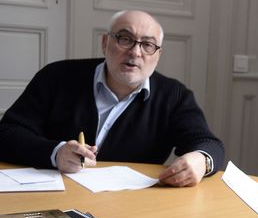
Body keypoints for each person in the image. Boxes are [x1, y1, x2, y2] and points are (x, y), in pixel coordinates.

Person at [0, 10, 224, 187]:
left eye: (147, 45)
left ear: (158, 55)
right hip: (54, 198)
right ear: (105, 43)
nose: (136, 52)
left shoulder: (174, 96)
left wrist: (200, 160)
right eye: (125, 39)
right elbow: (7, 133)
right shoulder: (57, 76)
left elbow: (209, 144)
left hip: (128, 205)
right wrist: (55, 153)